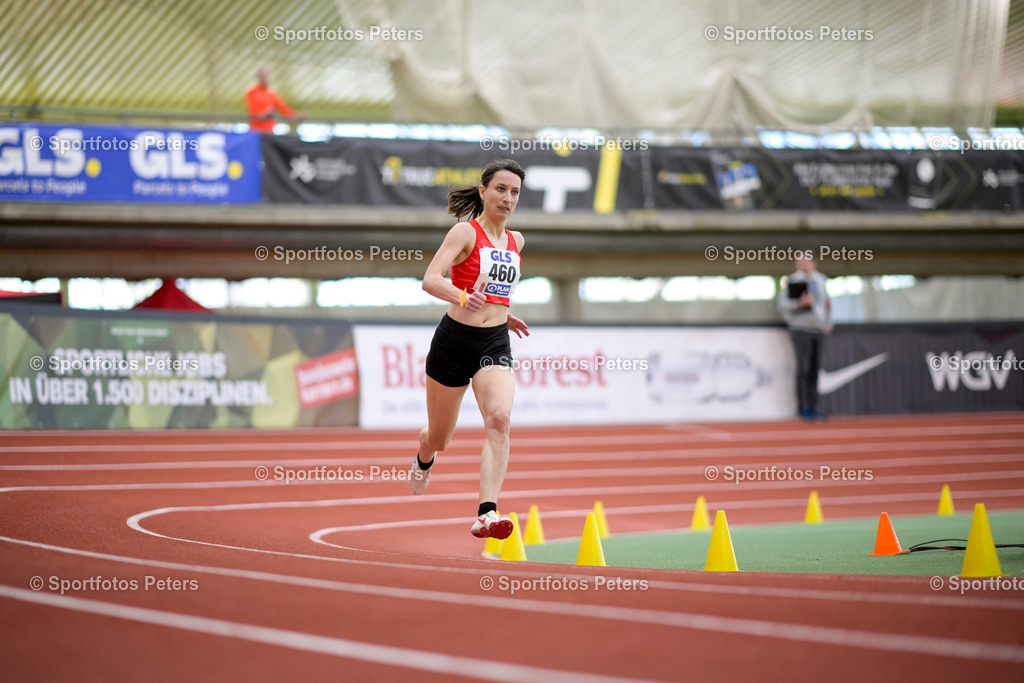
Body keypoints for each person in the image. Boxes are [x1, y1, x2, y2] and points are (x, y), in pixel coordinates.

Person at [409, 159, 530, 541]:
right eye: (500, 189)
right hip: (453, 342)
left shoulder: (517, 241)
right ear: (483, 191)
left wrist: (503, 315)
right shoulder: (465, 232)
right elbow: (430, 279)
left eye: (514, 192)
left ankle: (487, 512)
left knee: (499, 419)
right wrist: (463, 296)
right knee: (440, 437)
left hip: (493, 343)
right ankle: (423, 456)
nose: (507, 198)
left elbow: (496, 292)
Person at [777, 255, 832, 420]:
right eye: (799, 260)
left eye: (805, 260)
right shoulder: (792, 281)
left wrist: (828, 323)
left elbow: (827, 304)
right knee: (803, 368)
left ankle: (814, 406)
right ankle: (803, 408)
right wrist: (799, 304)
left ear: (813, 262)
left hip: (818, 329)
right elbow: (782, 305)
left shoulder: (821, 280)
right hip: (801, 329)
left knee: (815, 369)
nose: (802, 263)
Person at [245, 66, 304, 133]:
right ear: (257, 77)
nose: (265, 78)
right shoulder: (251, 92)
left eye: (266, 75)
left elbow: (284, 109)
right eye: (262, 76)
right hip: (256, 132)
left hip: (270, 131)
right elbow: (254, 113)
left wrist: (296, 116)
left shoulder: (272, 93)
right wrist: (267, 113)